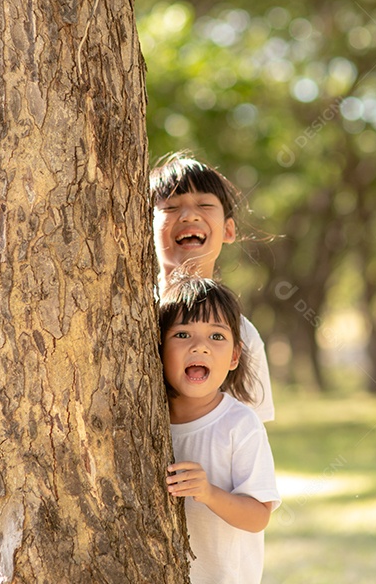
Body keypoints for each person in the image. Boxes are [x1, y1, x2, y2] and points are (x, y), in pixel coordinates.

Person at [160, 276, 281, 584]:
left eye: (216, 336)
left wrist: (209, 493)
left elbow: (258, 516)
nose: (199, 347)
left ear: (234, 357)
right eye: (183, 334)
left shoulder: (239, 425)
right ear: (158, 348)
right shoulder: (151, 419)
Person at [150, 153, 275, 423]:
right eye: (170, 207)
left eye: (205, 204)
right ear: (143, 228)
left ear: (229, 230)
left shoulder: (240, 333)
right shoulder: (126, 314)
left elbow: (250, 440)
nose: (188, 215)